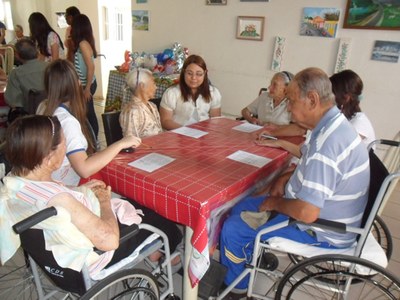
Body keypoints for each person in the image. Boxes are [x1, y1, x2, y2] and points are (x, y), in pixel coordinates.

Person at [220, 67, 370, 296]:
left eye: (291, 101)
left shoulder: (328, 145)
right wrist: (286, 177)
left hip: (320, 230)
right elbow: (309, 160)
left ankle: (236, 289)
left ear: (312, 99)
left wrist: (274, 203)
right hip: (321, 212)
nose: (288, 107)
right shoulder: (333, 125)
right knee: (240, 206)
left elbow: (307, 212)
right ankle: (248, 256)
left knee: (233, 228)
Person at [0, 115, 182, 275]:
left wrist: (77, 190)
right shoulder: (61, 200)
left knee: (133, 204)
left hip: (54, 257)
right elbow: (109, 240)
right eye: (65, 144)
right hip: (91, 260)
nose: (66, 150)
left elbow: (52, 194)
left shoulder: (13, 181)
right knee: (163, 222)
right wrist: (104, 202)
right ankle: (169, 258)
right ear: (49, 158)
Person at [38, 59, 135, 186]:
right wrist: (121, 143)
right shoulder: (67, 122)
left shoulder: (43, 108)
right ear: (76, 84)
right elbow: (84, 169)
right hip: (69, 186)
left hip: (51, 182)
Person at [256, 69, 375, 154]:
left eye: (331, 94)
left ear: (346, 98)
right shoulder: (334, 119)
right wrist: (274, 134)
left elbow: (329, 158)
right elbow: (301, 130)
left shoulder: (357, 125)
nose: (326, 98)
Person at [159, 54, 222, 130]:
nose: (194, 78)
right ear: (184, 72)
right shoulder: (172, 93)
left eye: (199, 74)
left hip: (204, 136)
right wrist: (186, 131)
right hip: (177, 135)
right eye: (189, 73)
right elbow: (165, 121)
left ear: (205, 74)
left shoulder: (213, 92)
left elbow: (215, 121)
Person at [330, 69, 376, 147]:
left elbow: (339, 151)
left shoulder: (359, 124)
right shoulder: (344, 118)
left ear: (346, 97)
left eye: (332, 93)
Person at [71, 14, 99, 139]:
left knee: (89, 114)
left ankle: (94, 140)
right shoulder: (82, 43)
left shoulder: (83, 43)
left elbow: (91, 67)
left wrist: (87, 88)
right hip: (85, 84)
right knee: (87, 113)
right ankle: (93, 139)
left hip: (88, 85)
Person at [5, 38, 48, 113]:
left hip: (28, 117)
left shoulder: (16, 73)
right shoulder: (50, 67)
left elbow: (12, 101)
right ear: (37, 52)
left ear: (17, 55)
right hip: (52, 111)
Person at [120, 68, 162, 138]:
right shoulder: (133, 111)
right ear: (142, 86)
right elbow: (130, 141)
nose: (156, 87)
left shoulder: (152, 106)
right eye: (153, 83)